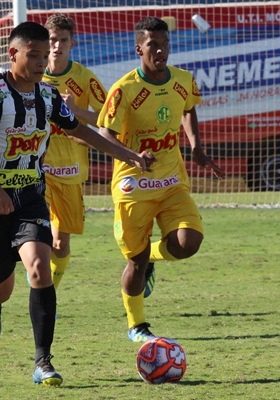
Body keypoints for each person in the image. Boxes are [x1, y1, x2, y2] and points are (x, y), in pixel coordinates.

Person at [0, 21, 153, 386]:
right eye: (34, 55)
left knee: (40, 269)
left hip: (30, 196)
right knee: (3, 286)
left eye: (46, 55)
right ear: (13, 54)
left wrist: (129, 155)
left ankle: (43, 361)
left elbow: (82, 131)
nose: (43, 62)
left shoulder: (48, 97)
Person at [97, 17, 225, 343]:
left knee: (188, 243)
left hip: (171, 181)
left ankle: (153, 254)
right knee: (134, 263)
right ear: (139, 48)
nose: (161, 51)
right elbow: (104, 134)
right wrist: (134, 157)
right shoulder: (124, 90)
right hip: (133, 186)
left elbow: (187, 108)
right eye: (153, 44)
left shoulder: (182, 80)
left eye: (165, 44)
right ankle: (136, 325)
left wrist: (196, 147)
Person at [40, 14, 107, 294]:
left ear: (72, 43)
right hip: (37, 170)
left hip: (70, 171)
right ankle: (39, 291)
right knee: (36, 237)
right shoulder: (34, 74)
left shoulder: (84, 78)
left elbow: (107, 117)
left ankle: (50, 293)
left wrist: (75, 111)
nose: (57, 46)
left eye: (63, 40)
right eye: (52, 40)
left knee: (60, 244)